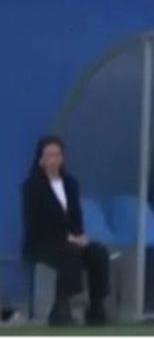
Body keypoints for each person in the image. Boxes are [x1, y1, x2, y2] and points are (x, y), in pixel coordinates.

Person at [21, 136, 110, 327]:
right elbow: (36, 222)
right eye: (49, 155)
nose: (54, 160)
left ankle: (96, 306)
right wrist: (68, 237)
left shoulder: (70, 184)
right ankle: (60, 306)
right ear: (41, 160)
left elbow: (76, 216)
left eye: (57, 155)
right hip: (42, 242)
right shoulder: (32, 186)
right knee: (71, 251)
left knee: (98, 253)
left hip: (70, 240)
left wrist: (80, 235)